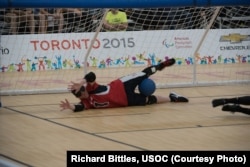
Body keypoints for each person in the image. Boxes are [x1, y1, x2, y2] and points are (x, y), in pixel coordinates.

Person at [60, 58, 189, 112]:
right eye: (81, 92)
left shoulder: (90, 87)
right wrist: (70, 107)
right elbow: (79, 108)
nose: (84, 91)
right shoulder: (86, 102)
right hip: (126, 101)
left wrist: (82, 81)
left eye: (82, 89)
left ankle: (161, 66)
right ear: (80, 96)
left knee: (144, 74)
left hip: (121, 85)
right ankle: (172, 97)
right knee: (150, 100)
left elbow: (91, 75)